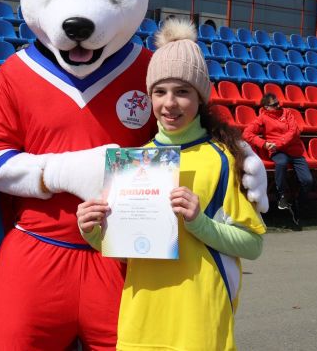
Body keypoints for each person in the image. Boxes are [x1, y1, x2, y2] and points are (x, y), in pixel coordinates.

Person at [77, 19, 265, 350]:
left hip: (199, 321)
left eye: (182, 92)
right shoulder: (135, 161)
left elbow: (253, 245)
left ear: (200, 97)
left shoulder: (223, 158)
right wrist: (94, 232)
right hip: (142, 321)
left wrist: (200, 223)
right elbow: (129, 252)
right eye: (160, 92)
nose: (169, 103)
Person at [243, 93, 314, 215]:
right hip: (278, 151)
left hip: (294, 150)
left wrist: (278, 143)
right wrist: (264, 144)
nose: (278, 106)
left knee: (307, 180)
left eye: (278, 103)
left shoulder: (287, 113)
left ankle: (299, 201)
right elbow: (247, 134)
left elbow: (294, 131)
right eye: (274, 104)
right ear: (266, 107)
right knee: (281, 162)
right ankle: (281, 195)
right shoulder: (262, 118)